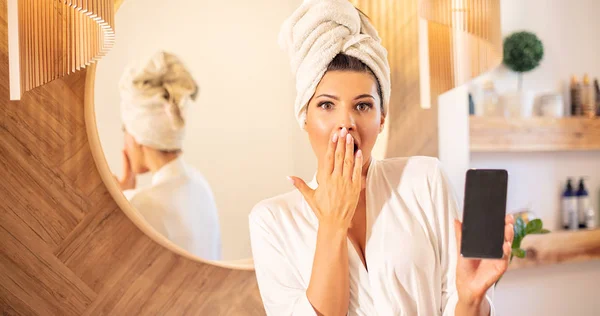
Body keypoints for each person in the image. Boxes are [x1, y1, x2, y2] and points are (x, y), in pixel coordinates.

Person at [248, 1, 514, 315]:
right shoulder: (272, 220)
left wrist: (470, 299)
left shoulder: (424, 180)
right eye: (326, 105)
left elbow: (454, 302)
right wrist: (333, 224)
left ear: (382, 118)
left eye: (362, 106)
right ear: (304, 116)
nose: (346, 122)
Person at [115, 51, 222, 260]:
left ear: (137, 136)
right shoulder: (199, 184)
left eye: (124, 129)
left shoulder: (139, 206)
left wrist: (121, 204)